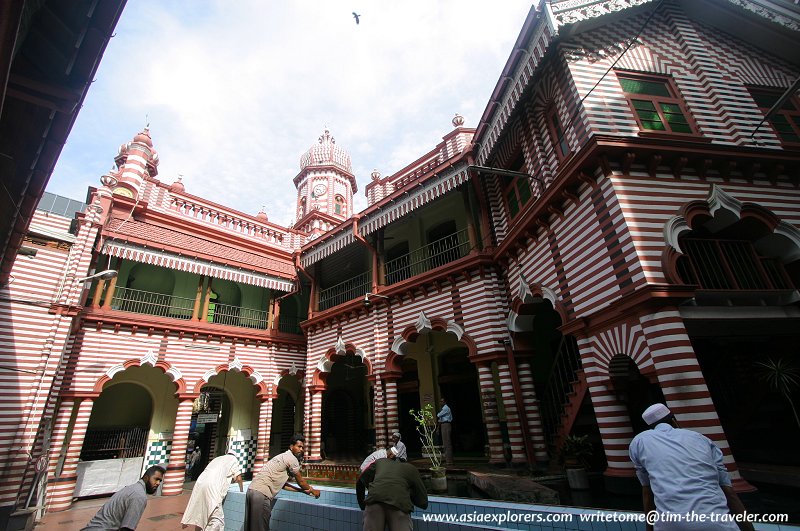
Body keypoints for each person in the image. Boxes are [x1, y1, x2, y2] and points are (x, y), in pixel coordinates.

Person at [629, 403, 754, 531]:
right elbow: (729, 493)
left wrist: (649, 528)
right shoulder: (701, 439)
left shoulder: (639, 442)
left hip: (670, 525)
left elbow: (647, 492)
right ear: (674, 421)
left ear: (650, 428)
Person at [246, 434, 321, 531]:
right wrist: (313, 490)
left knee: (251, 527)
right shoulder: (292, 459)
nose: (301, 449)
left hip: (251, 491)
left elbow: (283, 485)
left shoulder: (282, 457)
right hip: (261, 495)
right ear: (291, 447)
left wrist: (301, 491)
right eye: (299, 446)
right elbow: (301, 481)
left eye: (302, 447)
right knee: (261, 528)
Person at [357, 452, 428, 531]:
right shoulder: (411, 468)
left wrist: (363, 504)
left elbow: (361, 479)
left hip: (374, 500)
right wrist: (409, 495)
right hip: (399, 503)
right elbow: (423, 502)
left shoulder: (380, 462)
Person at [81, 465, 165, 531]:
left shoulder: (131, 488)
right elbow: (127, 528)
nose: (158, 483)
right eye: (156, 479)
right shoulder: (139, 496)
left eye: (160, 481)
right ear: (146, 478)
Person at [181, 452, 243, 531]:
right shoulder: (233, 459)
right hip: (212, 487)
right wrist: (241, 491)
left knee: (201, 515)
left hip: (200, 483)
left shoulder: (217, 458)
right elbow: (238, 478)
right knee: (217, 519)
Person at [437, 397, 453, 465]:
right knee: (445, 443)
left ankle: (449, 461)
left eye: (442, 401)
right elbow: (440, 420)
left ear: (445, 402)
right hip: (443, 425)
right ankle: (448, 460)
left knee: (447, 443)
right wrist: (438, 428)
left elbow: (438, 415)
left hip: (446, 425)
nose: (441, 403)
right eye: (440, 401)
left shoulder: (446, 408)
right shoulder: (443, 409)